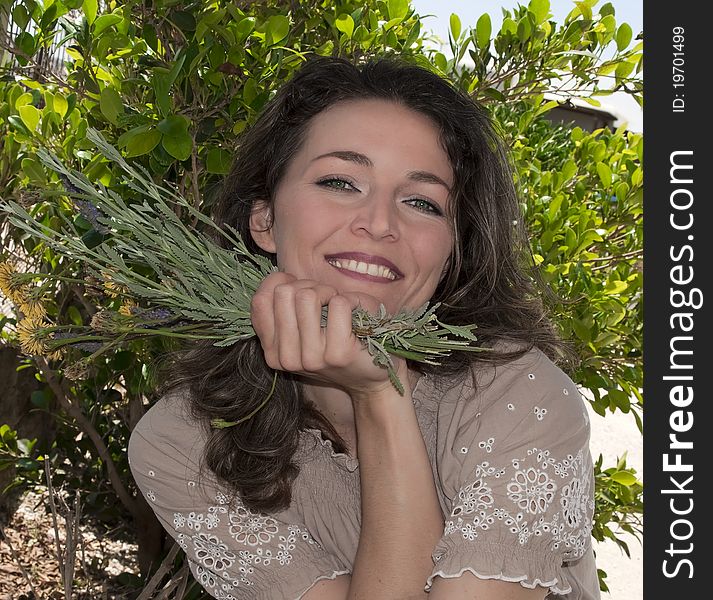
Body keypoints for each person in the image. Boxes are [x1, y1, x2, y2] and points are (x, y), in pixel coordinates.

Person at [128, 55, 600, 599]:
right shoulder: (184, 442)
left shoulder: (515, 394)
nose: (379, 223)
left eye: (422, 201)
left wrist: (378, 393)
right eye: (340, 181)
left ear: (452, 249)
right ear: (264, 220)